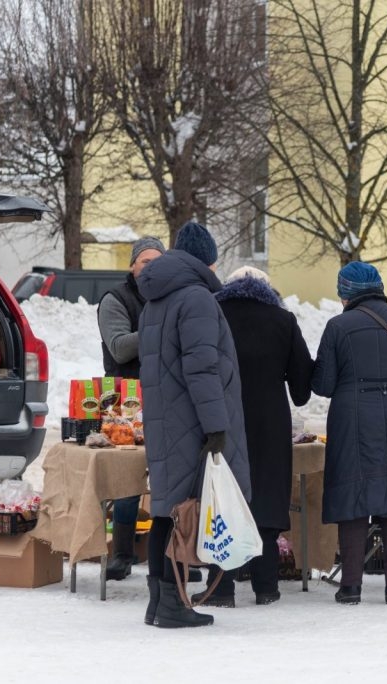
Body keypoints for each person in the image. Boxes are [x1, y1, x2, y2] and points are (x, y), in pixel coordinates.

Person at [137, 221, 251, 628]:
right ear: (208, 259)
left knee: (168, 513)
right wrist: (216, 426)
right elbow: (202, 369)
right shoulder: (196, 299)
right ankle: (174, 605)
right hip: (193, 420)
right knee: (184, 513)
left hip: (166, 420)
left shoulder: (156, 300)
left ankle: (160, 602)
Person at [311, 261, 387, 605]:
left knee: (354, 494)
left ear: (345, 292)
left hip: (354, 416)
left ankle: (350, 586)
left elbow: (323, 384)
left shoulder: (338, 326)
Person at [195, 266, 314, 607]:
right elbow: (303, 390)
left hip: (223, 420)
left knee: (224, 498)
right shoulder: (283, 320)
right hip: (270, 424)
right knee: (266, 496)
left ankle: (221, 587)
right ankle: (267, 585)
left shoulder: (215, 316)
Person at [97, 236, 164, 582]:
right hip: (125, 398)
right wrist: (161, 328)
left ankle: (171, 555)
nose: (150, 266)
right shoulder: (115, 300)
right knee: (127, 478)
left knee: (169, 476)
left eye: (157, 261)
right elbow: (121, 348)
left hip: (167, 395)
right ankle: (122, 554)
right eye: (144, 261)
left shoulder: (170, 296)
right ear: (132, 266)